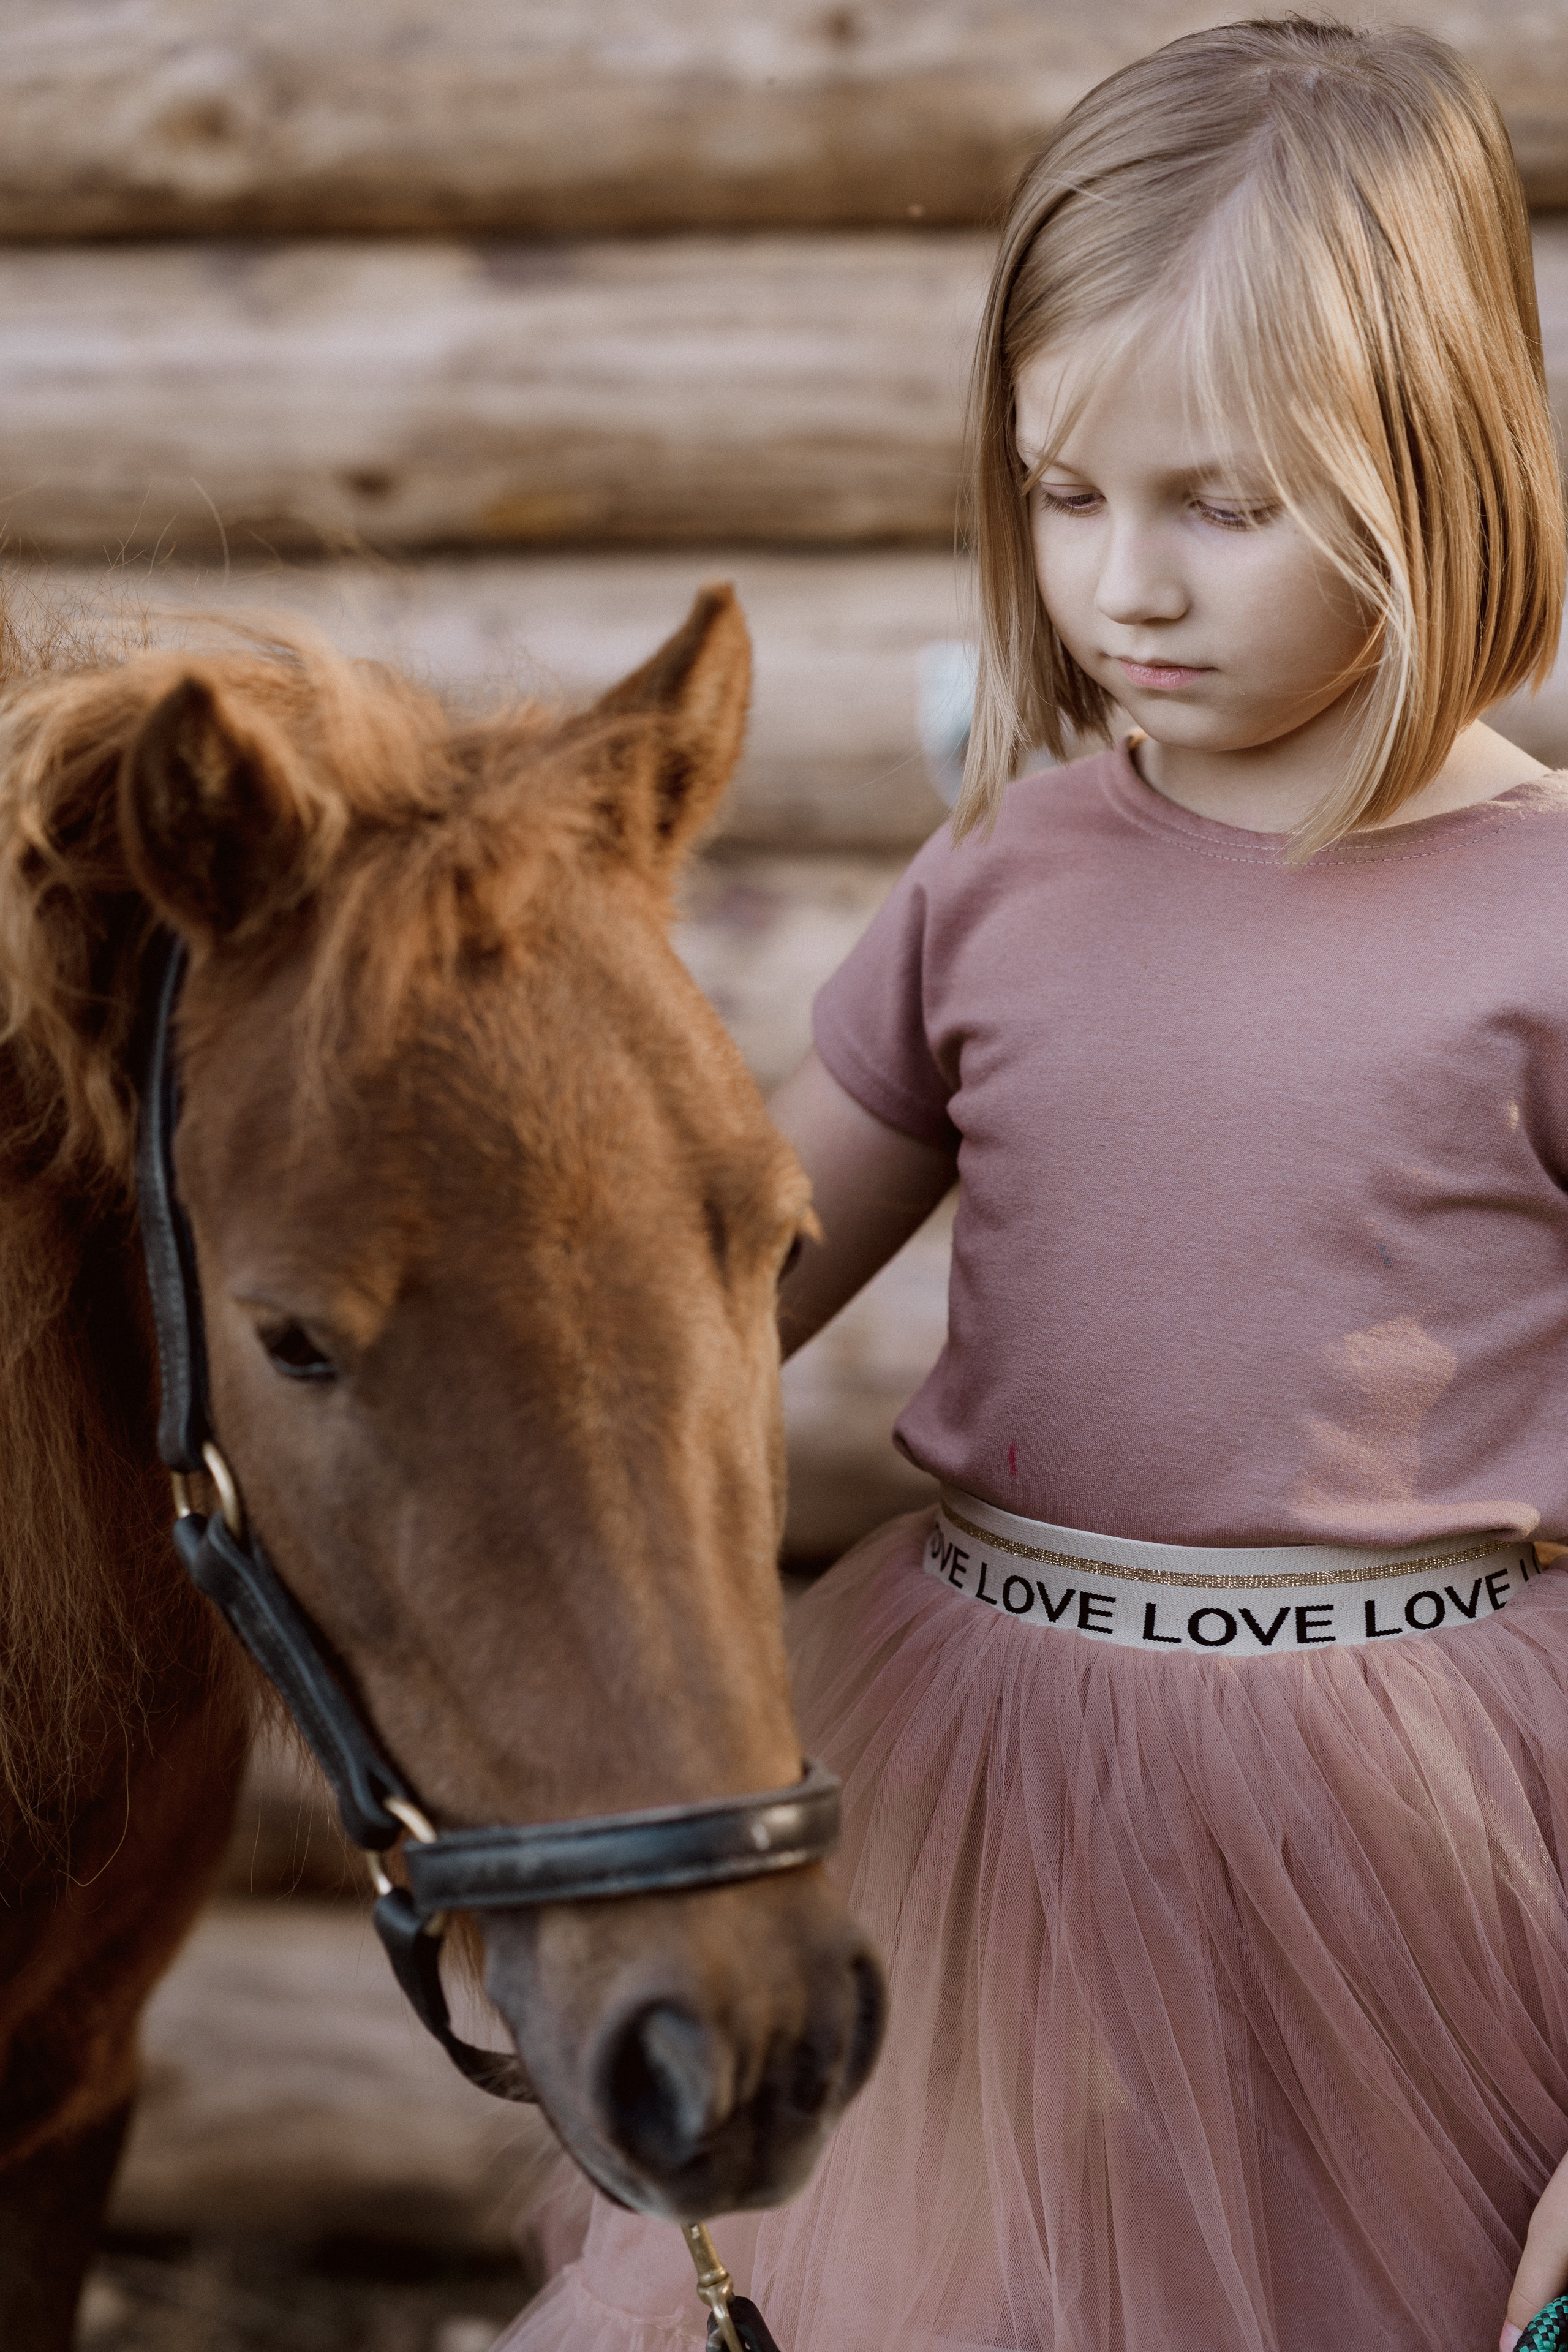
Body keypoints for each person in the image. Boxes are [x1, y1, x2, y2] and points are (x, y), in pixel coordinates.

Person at [500, 20, 1568, 2348]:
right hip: (977, 1791)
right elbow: (715, 1293)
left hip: (1407, 1850)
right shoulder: (1004, 870)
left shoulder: (1550, 920)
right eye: (1065, 493)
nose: (1125, 588)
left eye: (1223, 505)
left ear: (1446, 460)